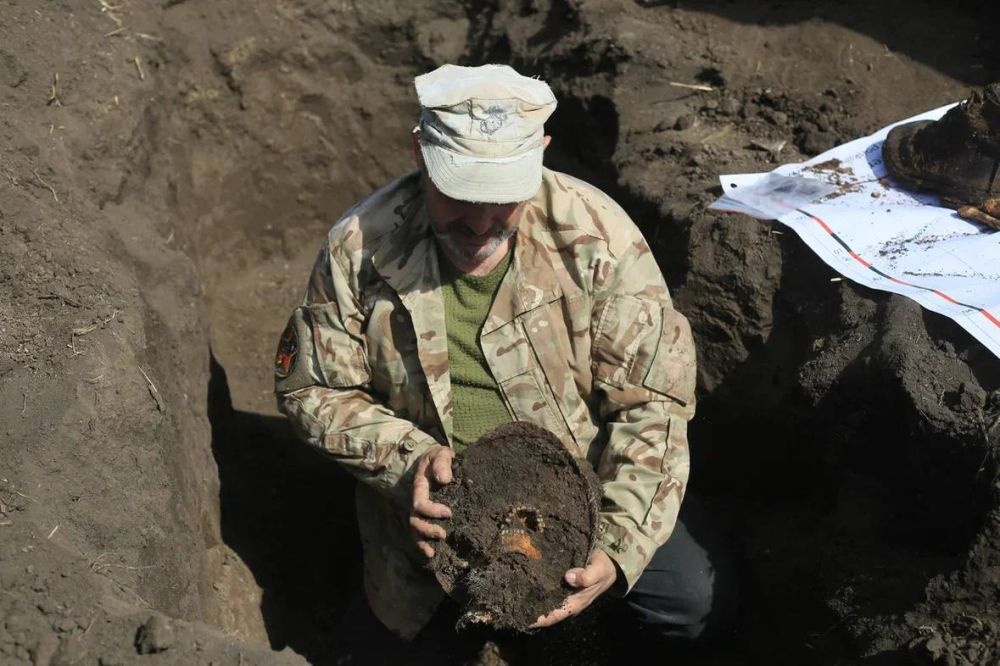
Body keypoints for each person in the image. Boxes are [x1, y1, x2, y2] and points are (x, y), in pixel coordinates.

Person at [274, 63, 735, 648]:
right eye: (460, 195)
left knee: (693, 602)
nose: (480, 222)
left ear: (542, 153)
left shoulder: (600, 241)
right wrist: (406, 463)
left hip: (584, 496)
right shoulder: (360, 248)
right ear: (420, 153)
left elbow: (653, 406)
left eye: (503, 199)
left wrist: (616, 547)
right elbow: (312, 390)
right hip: (438, 522)